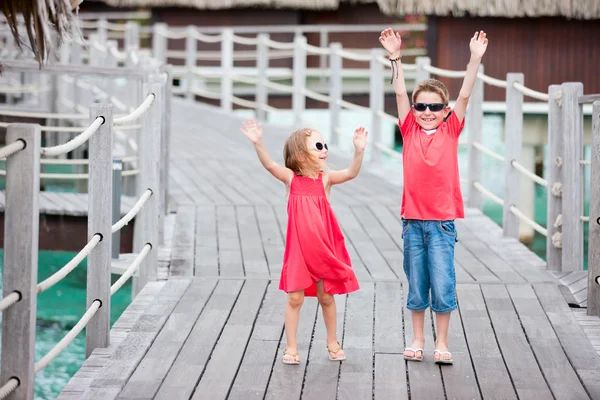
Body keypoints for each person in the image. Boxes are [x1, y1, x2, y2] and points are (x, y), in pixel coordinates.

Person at [378, 28, 488, 364]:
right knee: (416, 287)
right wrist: (395, 58)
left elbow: (466, 95)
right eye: (421, 106)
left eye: (435, 106)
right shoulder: (409, 129)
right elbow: (398, 92)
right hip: (413, 223)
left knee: (442, 285)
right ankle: (417, 339)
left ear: (445, 111)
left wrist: (474, 59)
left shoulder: (451, 130)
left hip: (441, 224)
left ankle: (442, 342)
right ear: (413, 109)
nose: (427, 111)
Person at [240, 119, 367, 365]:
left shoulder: (326, 180)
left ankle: (332, 341)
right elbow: (269, 165)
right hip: (299, 250)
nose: (324, 150)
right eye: (318, 146)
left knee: (326, 297)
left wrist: (358, 151)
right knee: (294, 299)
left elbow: (351, 173)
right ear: (300, 155)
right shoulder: (291, 179)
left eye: (325, 145)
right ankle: (291, 346)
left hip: (322, 250)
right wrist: (258, 143)